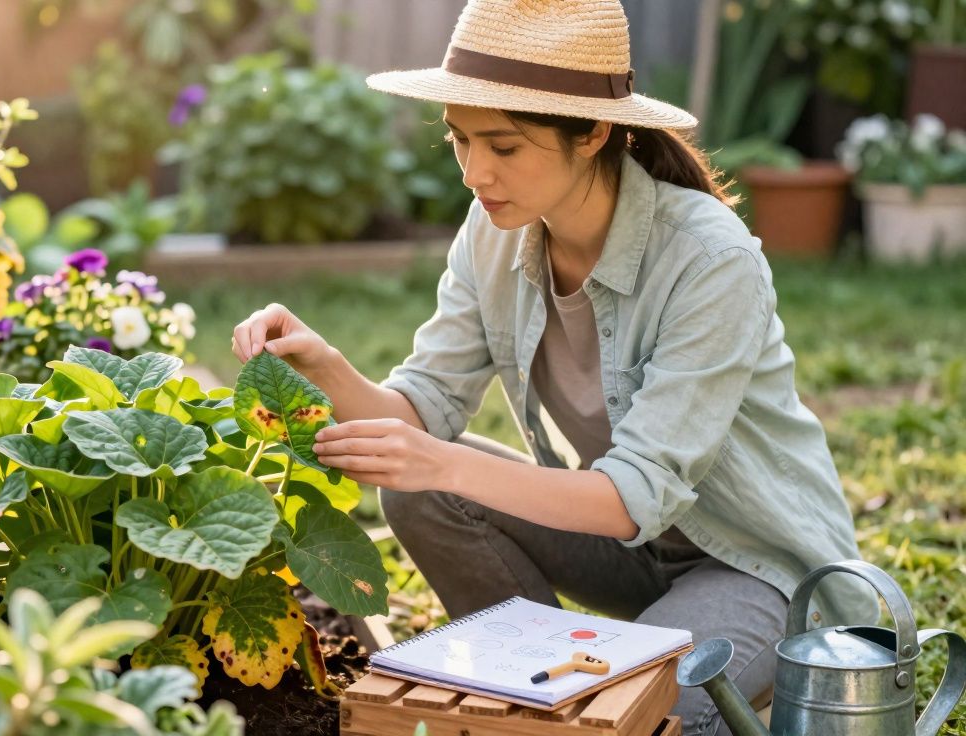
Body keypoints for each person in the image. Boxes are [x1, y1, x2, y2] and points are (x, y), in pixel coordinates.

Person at [230, 1, 873, 734]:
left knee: (648, 716)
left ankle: (693, 686)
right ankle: (538, 692)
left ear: (595, 132)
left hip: (758, 566)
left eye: (504, 146)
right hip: (632, 558)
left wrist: (438, 462)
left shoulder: (709, 259)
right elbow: (425, 408)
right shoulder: (494, 234)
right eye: (460, 140)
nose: (475, 172)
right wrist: (329, 366)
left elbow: (633, 495)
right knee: (421, 494)